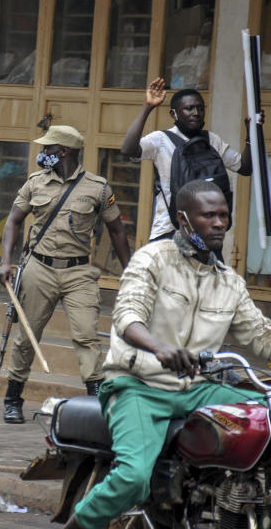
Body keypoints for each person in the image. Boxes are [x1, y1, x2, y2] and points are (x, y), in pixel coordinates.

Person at [64, 179, 271, 529]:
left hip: (198, 386)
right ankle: (81, 524)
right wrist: (160, 348)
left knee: (262, 416)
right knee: (132, 477)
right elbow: (128, 315)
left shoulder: (229, 282)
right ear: (184, 219)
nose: (220, 223)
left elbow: (260, 337)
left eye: (224, 215)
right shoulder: (153, 260)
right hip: (140, 385)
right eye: (209, 216)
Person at [0, 125, 131, 424]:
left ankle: (97, 404)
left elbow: (117, 230)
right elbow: (13, 221)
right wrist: (6, 262)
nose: (42, 153)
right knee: (26, 338)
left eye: (48, 149)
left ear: (63, 152)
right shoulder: (35, 183)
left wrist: (131, 273)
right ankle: (12, 398)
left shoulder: (97, 187)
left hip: (79, 272)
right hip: (38, 269)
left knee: (86, 336)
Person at [120, 77, 256, 241]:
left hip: (206, 231)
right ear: (174, 114)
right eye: (189, 108)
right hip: (169, 231)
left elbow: (245, 168)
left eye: (200, 108)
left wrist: (252, 136)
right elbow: (127, 149)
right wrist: (148, 107)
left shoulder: (212, 140)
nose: (196, 113)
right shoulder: (161, 139)